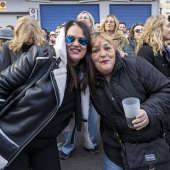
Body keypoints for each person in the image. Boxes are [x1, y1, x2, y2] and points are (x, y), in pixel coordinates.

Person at [0, 20, 94, 170]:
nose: (76, 43)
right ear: (63, 39)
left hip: (45, 142)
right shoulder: (41, 56)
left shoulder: (86, 74)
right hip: (14, 137)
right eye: (71, 39)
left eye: (82, 40)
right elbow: (2, 83)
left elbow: (109, 62)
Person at [90, 32, 170, 170]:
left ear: (115, 50)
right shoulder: (87, 79)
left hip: (153, 146)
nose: (103, 54)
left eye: (107, 48)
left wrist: (148, 111)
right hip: (116, 151)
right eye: (95, 50)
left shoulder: (136, 65)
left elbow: (166, 89)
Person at [60, 11, 99, 160]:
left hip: (91, 88)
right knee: (69, 121)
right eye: (80, 18)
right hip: (71, 87)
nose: (83, 20)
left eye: (86, 18)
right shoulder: (66, 44)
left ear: (91, 22)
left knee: (92, 121)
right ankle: (68, 146)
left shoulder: (95, 39)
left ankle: (91, 143)